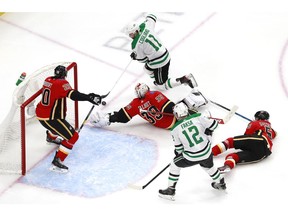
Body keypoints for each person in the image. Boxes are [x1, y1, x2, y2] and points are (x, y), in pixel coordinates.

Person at [36, 65, 102, 173]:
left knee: (60, 121)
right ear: (64, 74)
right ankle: (57, 162)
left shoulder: (47, 80)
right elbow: (73, 95)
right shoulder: (61, 83)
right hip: (50, 118)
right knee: (73, 137)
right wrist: (88, 97)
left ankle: (51, 137)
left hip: (41, 113)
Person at [158, 102, 226, 201]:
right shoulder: (199, 116)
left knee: (174, 164)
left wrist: (177, 154)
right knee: (208, 166)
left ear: (176, 114)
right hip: (207, 152)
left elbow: (179, 149)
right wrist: (208, 130)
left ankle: (170, 190)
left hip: (192, 157)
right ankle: (220, 183)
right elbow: (214, 125)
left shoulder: (175, 129)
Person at [124, 13, 198, 91]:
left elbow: (143, 60)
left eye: (131, 34)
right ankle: (157, 80)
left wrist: (135, 56)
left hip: (159, 62)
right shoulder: (146, 26)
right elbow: (152, 17)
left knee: (162, 86)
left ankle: (184, 79)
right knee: (147, 69)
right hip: (165, 53)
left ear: (136, 30)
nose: (130, 36)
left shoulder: (135, 45)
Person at [89, 83, 208, 130]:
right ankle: (198, 100)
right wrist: (181, 108)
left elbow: (123, 116)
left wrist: (109, 118)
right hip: (173, 120)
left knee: (179, 105)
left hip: (160, 124)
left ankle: (104, 120)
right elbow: (169, 108)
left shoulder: (135, 103)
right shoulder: (153, 95)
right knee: (183, 104)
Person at [212, 110, 277, 173]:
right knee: (234, 156)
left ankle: (211, 152)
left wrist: (254, 123)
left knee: (230, 142)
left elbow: (247, 135)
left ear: (257, 117)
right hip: (264, 153)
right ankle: (227, 166)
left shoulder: (254, 123)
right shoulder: (271, 129)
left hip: (258, 140)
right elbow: (275, 134)